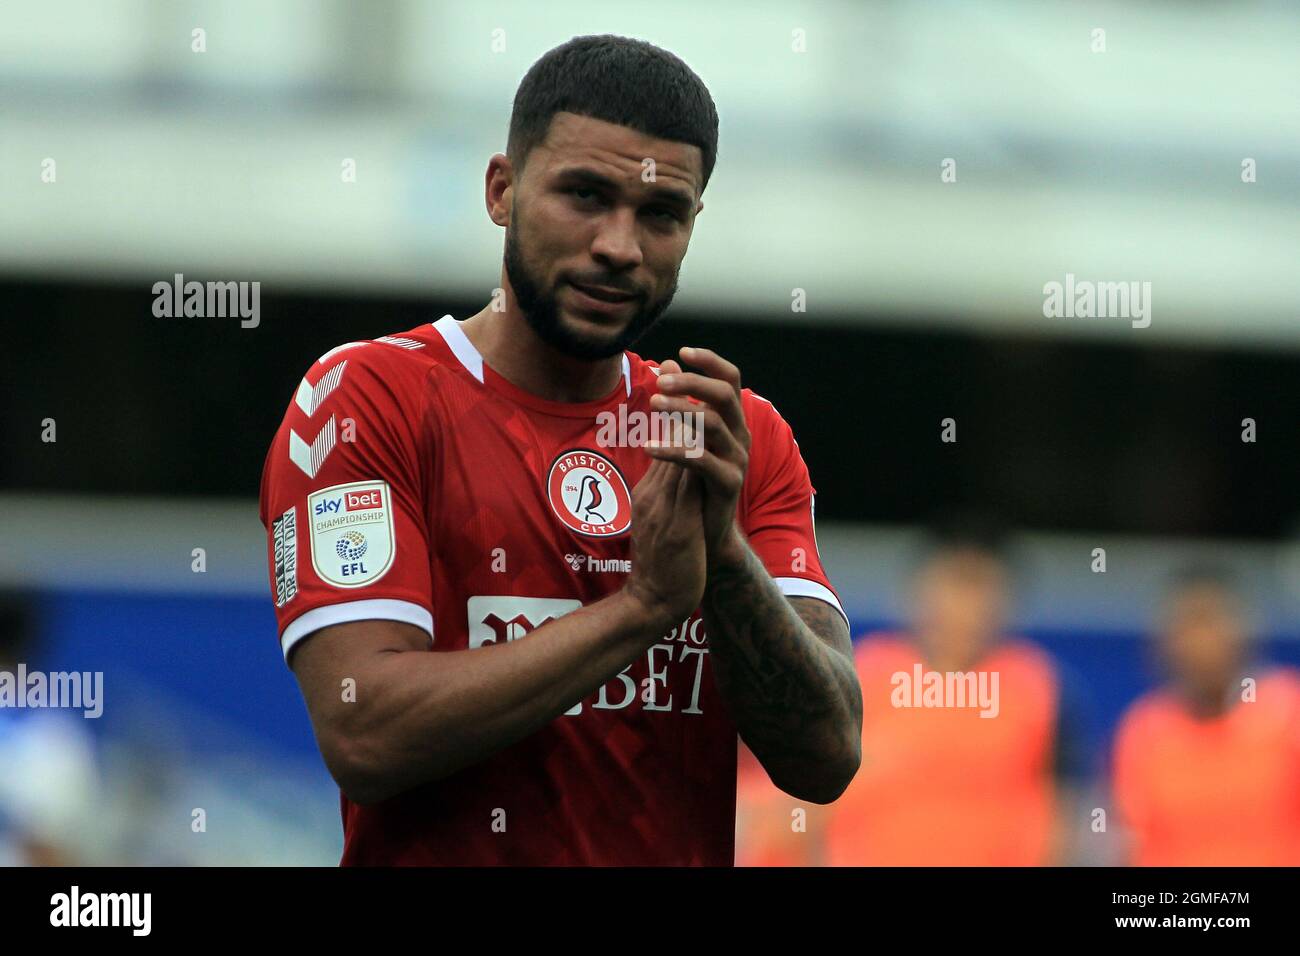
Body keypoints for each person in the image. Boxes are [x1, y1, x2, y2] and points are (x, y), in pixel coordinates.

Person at [258, 34, 861, 865]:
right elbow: (366, 731)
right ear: (502, 190)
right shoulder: (369, 399)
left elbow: (828, 755)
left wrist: (723, 559)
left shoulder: (731, 439)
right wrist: (644, 608)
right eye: (585, 195)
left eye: (660, 214)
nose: (620, 245)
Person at [811, 518, 1091, 866]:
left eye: (982, 587)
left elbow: (1063, 818)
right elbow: (804, 807)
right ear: (916, 590)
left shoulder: (1043, 686)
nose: (965, 606)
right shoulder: (859, 674)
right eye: (954, 584)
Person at [1112, 566, 1300, 866]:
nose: (1201, 642)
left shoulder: (1289, 711)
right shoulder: (1144, 728)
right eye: (1187, 626)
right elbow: (1132, 843)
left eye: (1210, 621)